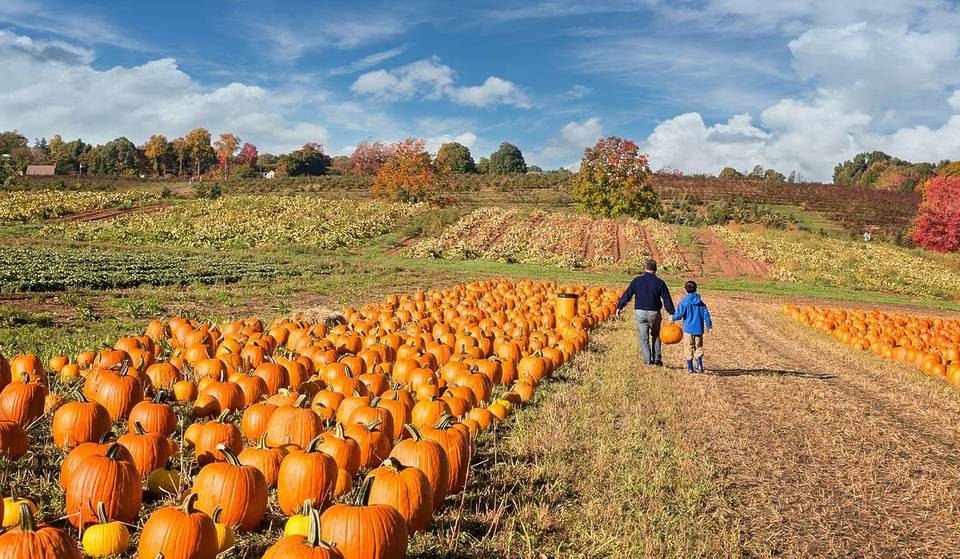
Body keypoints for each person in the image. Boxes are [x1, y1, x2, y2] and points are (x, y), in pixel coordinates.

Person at [616, 259, 675, 366]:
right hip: (654, 313)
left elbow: (627, 294)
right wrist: (671, 312)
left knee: (644, 338)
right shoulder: (660, 283)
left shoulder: (637, 281)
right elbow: (666, 299)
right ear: (656, 269)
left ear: (645, 268)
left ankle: (647, 362)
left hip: (640, 312)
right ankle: (657, 360)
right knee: (656, 335)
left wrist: (619, 306)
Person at [671, 280, 713, 373]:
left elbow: (679, 314)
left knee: (688, 347)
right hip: (699, 329)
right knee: (699, 347)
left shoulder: (684, 301)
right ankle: (700, 366)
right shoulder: (700, 302)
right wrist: (709, 326)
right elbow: (706, 314)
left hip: (688, 330)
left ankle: (690, 368)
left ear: (685, 289)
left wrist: (673, 318)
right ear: (696, 289)